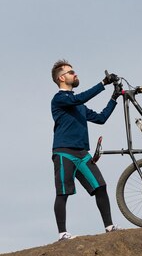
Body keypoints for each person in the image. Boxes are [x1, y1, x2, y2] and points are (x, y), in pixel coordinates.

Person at [50, 59, 122, 241]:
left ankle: (109, 226)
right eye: (71, 71)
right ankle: (63, 234)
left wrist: (114, 97)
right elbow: (79, 98)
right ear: (61, 77)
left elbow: (101, 118)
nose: (75, 74)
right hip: (63, 152)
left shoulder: (78, 105)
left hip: (82, 154)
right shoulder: (59, 99)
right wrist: (103, 83)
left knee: (100, 187)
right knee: (63, 193)